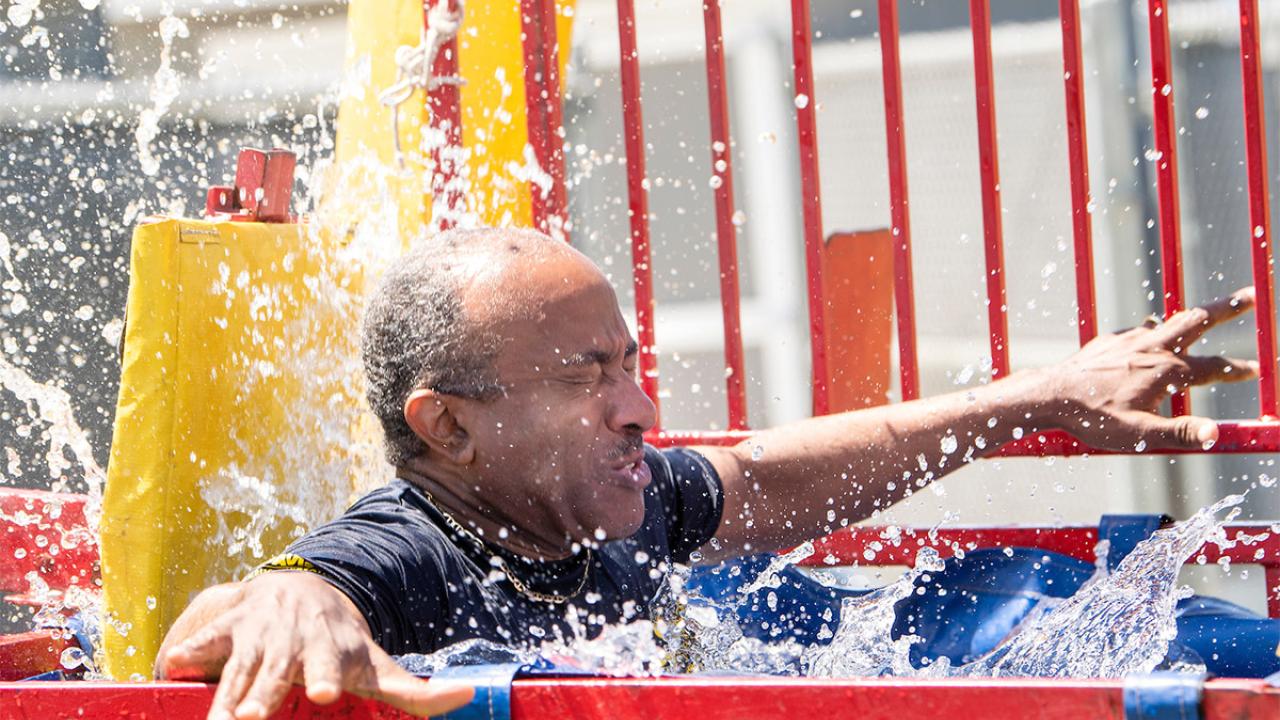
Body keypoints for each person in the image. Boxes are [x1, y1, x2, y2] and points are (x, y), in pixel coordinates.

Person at [154, 227, 1259, 720]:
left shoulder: (600, 508)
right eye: (588, 376)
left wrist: (1036, 398)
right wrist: (288, 593)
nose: (637, 408)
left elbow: (768, 480)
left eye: (628, 365)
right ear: (446, 428)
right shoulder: (406, 551)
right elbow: (272, 601)